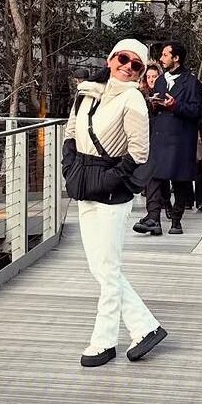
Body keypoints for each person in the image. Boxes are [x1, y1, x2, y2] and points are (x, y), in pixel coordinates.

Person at [63, 39, 167, 367]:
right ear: (111, 59)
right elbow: (70, 130)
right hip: (83, 182)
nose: (128, 66)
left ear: (140, 73)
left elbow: (139, 152)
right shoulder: (88, 91)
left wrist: (111, 178)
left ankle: (103, 342)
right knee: (99, 267)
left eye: (137, 64)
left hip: (111, 190)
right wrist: (68, 163)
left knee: (108, 270)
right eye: (124, 58)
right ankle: (146, 327)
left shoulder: (133, 98)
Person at [133, 41, 202, 236]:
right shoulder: (162, 80)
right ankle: (153, 217)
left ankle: (176, 219)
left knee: (180, 180)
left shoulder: (192, 82)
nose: (162, 59)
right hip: (160, 136)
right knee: (153, 176)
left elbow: (198, 111)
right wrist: (156, 105)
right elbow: (159, 104)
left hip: (181, 138)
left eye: (165, 55)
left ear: (176, 58)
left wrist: (175, 106)